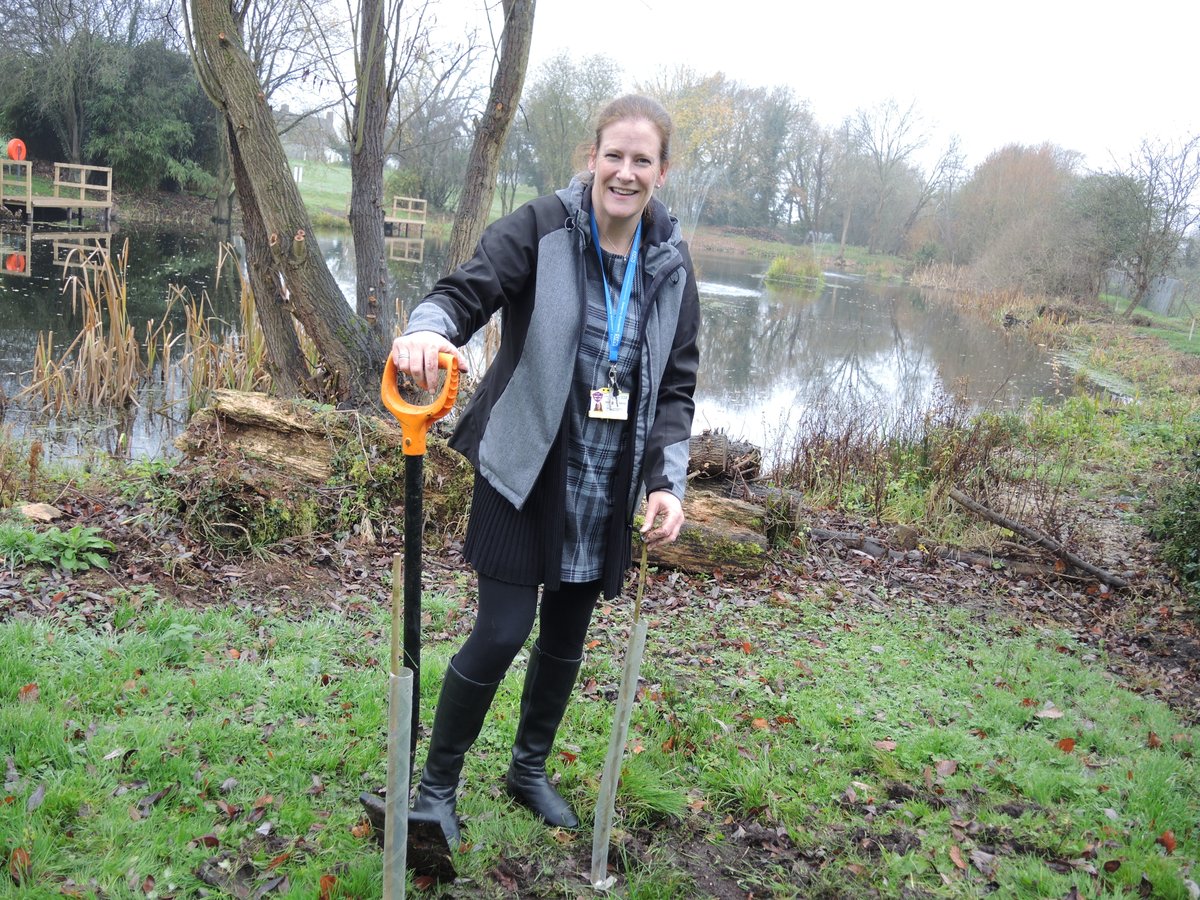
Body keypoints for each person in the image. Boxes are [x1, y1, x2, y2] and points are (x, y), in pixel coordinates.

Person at [386, 94, 700, 849]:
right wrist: (427, 333)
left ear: (662, 171)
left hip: (607, 482)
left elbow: (676, 384)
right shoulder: (543, 227)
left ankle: (527, 772)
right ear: (590, 158)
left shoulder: (670, 261)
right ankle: (435, 790)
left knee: (565, 640)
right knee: (500, 633)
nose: (625, 172)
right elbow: (468, 289)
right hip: (524, 465)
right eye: (613, 156)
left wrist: (666, 482)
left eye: (642, 159)